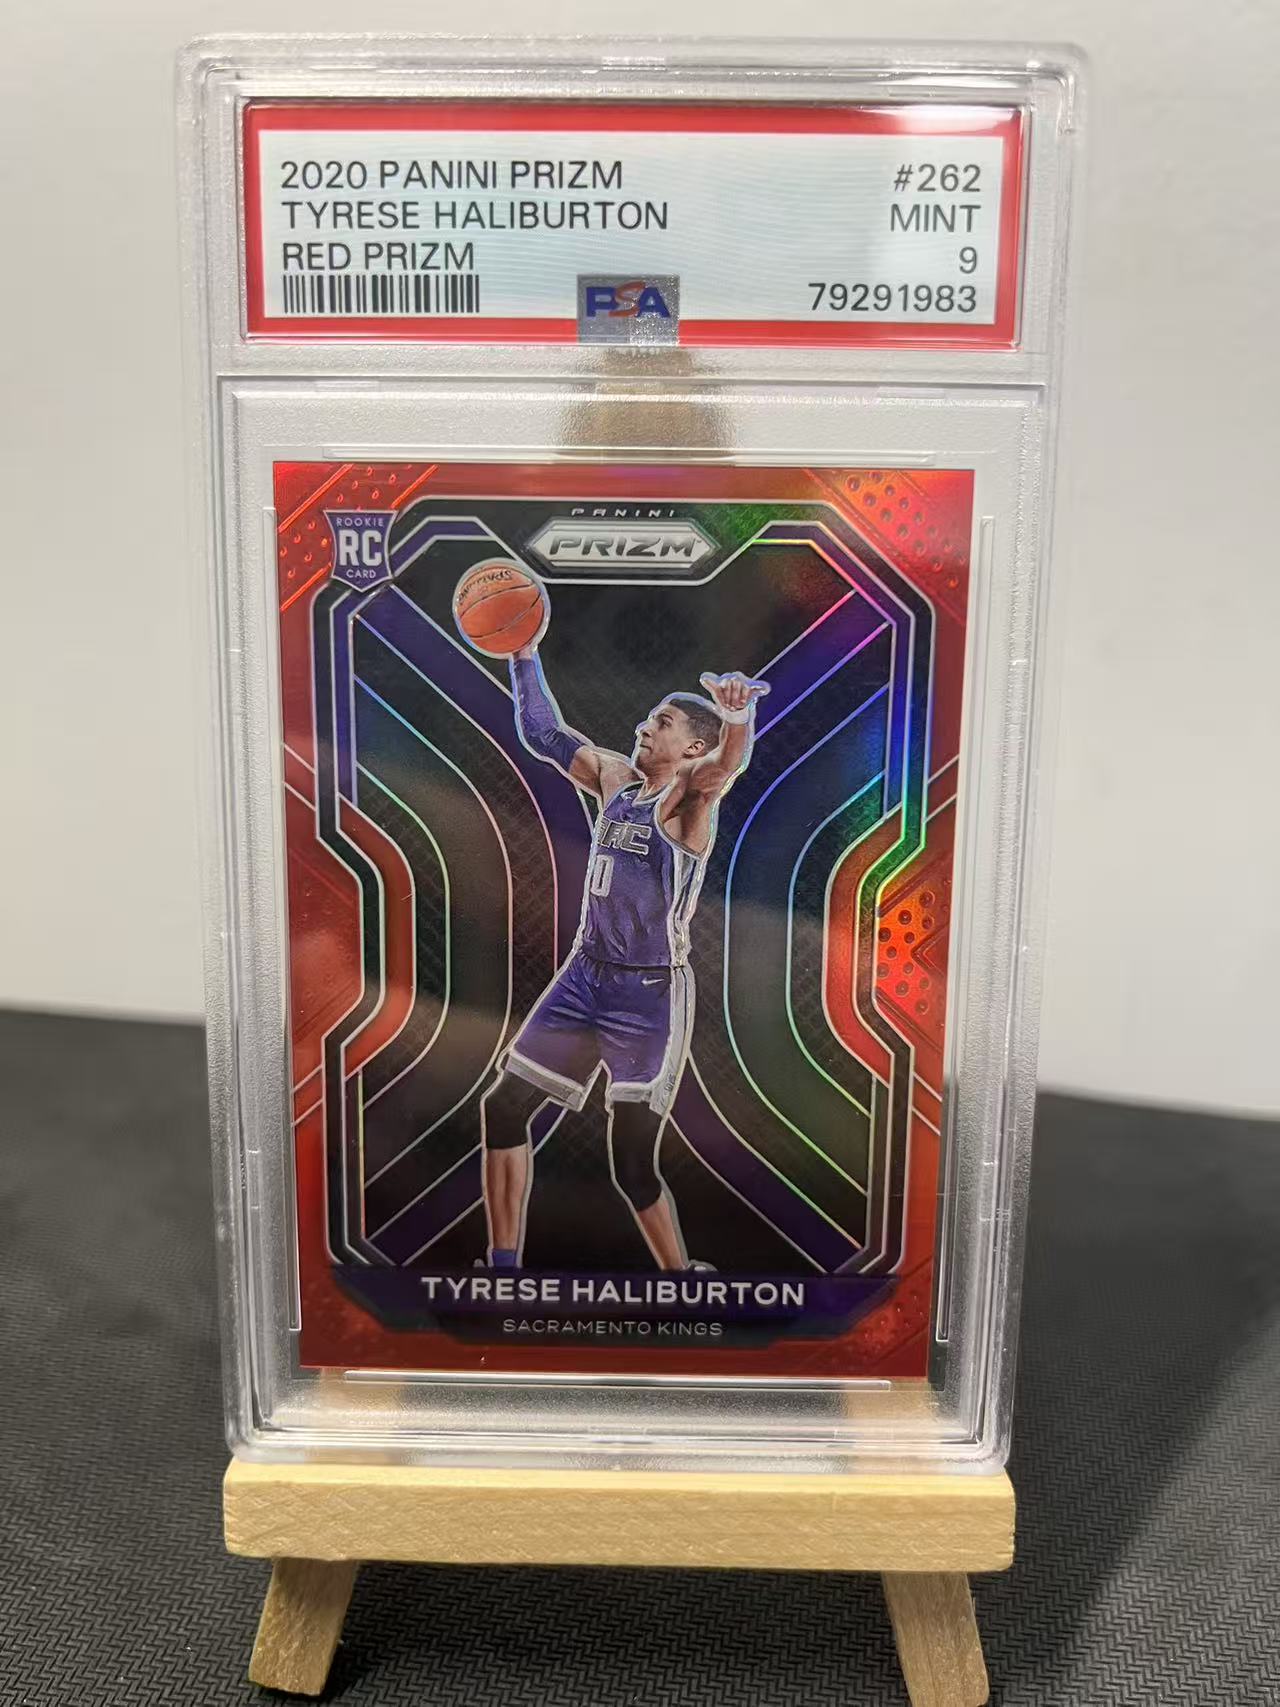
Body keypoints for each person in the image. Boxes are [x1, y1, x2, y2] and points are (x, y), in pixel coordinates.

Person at [481, 632, 768, 1270]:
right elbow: (544, 733)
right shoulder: (615, 780)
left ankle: (680, 1280)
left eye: (661, 722)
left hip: (648, 992)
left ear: (690, 747)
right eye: (647, 718)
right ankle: (502, 1265)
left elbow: (725, 769)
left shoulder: (687, 800)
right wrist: (522, 654)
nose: (643, 726)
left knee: (631, 1160)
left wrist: (736, 718)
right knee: (503, 1107)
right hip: (585, 974)